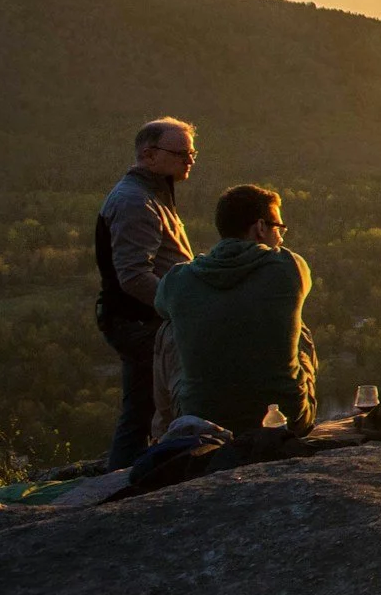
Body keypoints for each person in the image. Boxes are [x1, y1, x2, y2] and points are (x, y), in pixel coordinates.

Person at [156, 183, 318, 436]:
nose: (282, 236)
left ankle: (168, 434)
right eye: (279, 228)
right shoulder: (290, 267)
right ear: (261, 228)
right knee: (299, 327)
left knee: (167, 329)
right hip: (285, 420)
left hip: (203, 421)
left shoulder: (178, 279)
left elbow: (160, 307)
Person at [95, 117, 198, 469]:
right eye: (181, 153)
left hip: (142, 319)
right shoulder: (134, 202)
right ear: (149, 154)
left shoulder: (153, 193)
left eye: (192, 152)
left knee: (142, 407)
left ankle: (126, 478)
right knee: (143, 408)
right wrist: (180, 308)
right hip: (141, 322)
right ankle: (125, 485)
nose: (190, 160)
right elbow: (135, 276)